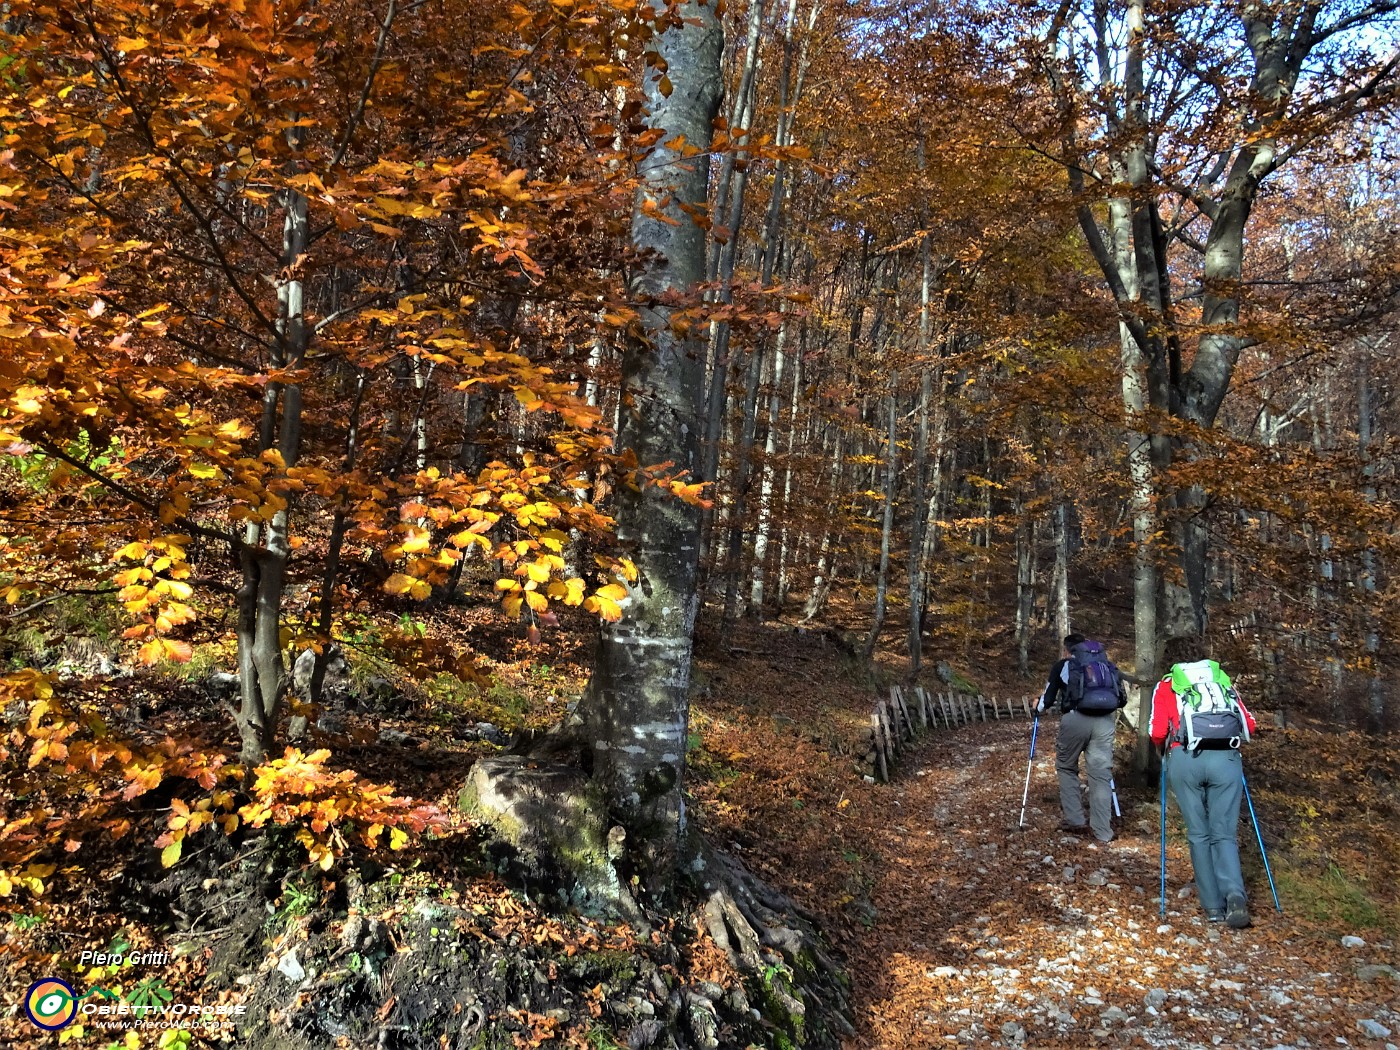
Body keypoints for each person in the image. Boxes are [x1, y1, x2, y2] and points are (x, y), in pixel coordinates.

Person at [1150, 636, 1259, 928]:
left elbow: (1157, 731)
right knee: (1224, 833)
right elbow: (1249, 724)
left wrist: (1165, 750)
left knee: (1199, 833)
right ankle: (1235, 894)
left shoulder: (1167, 684)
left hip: (1186, 758)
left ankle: (1212, 907)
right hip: (1226, 759)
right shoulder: (1222, 680)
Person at [1037, 633, 1124, 843]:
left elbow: (1048, 698)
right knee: (1100, 774)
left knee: (1067, 767)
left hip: (1075, 718)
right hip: (1105, 720)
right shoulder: (1105, 665)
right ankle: (1103, 831)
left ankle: (1075, 819)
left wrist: (1039, 708)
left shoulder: (1063, 666)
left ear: (1067, 650)